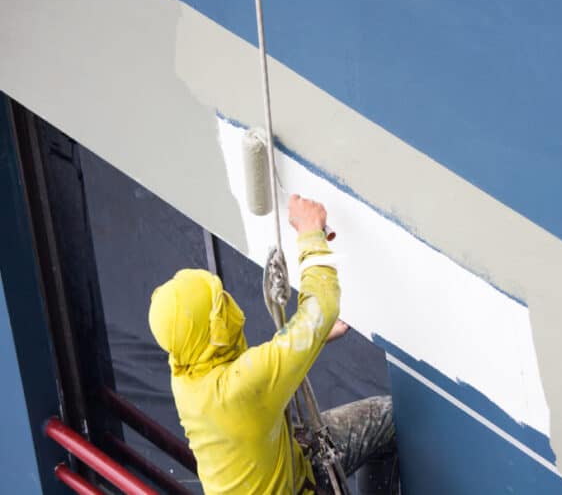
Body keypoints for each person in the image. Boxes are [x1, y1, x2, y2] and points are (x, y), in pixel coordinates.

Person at [148, 195, 398, 494]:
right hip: (296, 479)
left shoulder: (185, 373)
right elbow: (323, 309)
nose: (228, 301)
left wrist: (307, 340)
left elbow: (246, 381)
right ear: (213, 331)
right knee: (391, 419)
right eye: (220, 303)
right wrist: (310, 232)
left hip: (286, 464)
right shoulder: (240, 390)